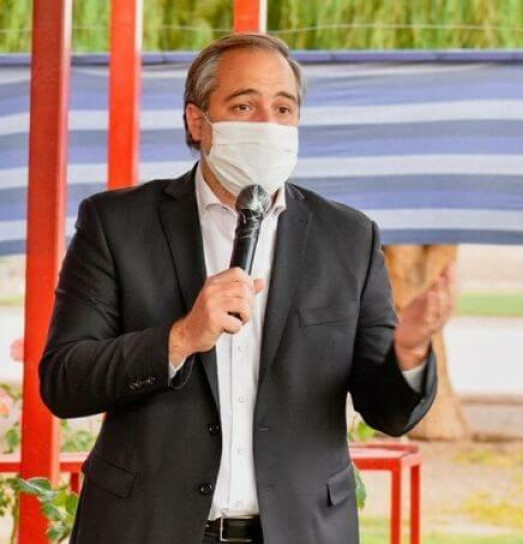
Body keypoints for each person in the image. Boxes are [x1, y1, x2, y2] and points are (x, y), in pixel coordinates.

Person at [39, 33, 454, 544]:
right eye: (244, 105)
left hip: (300, 531)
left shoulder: (347, 236)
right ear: (198, 121)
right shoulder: (117, 224)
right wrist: (180, 338)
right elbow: (64, 380)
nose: (267, 125)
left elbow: (387, 412)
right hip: (147, 528)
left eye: (284, 108)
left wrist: (408, 352)